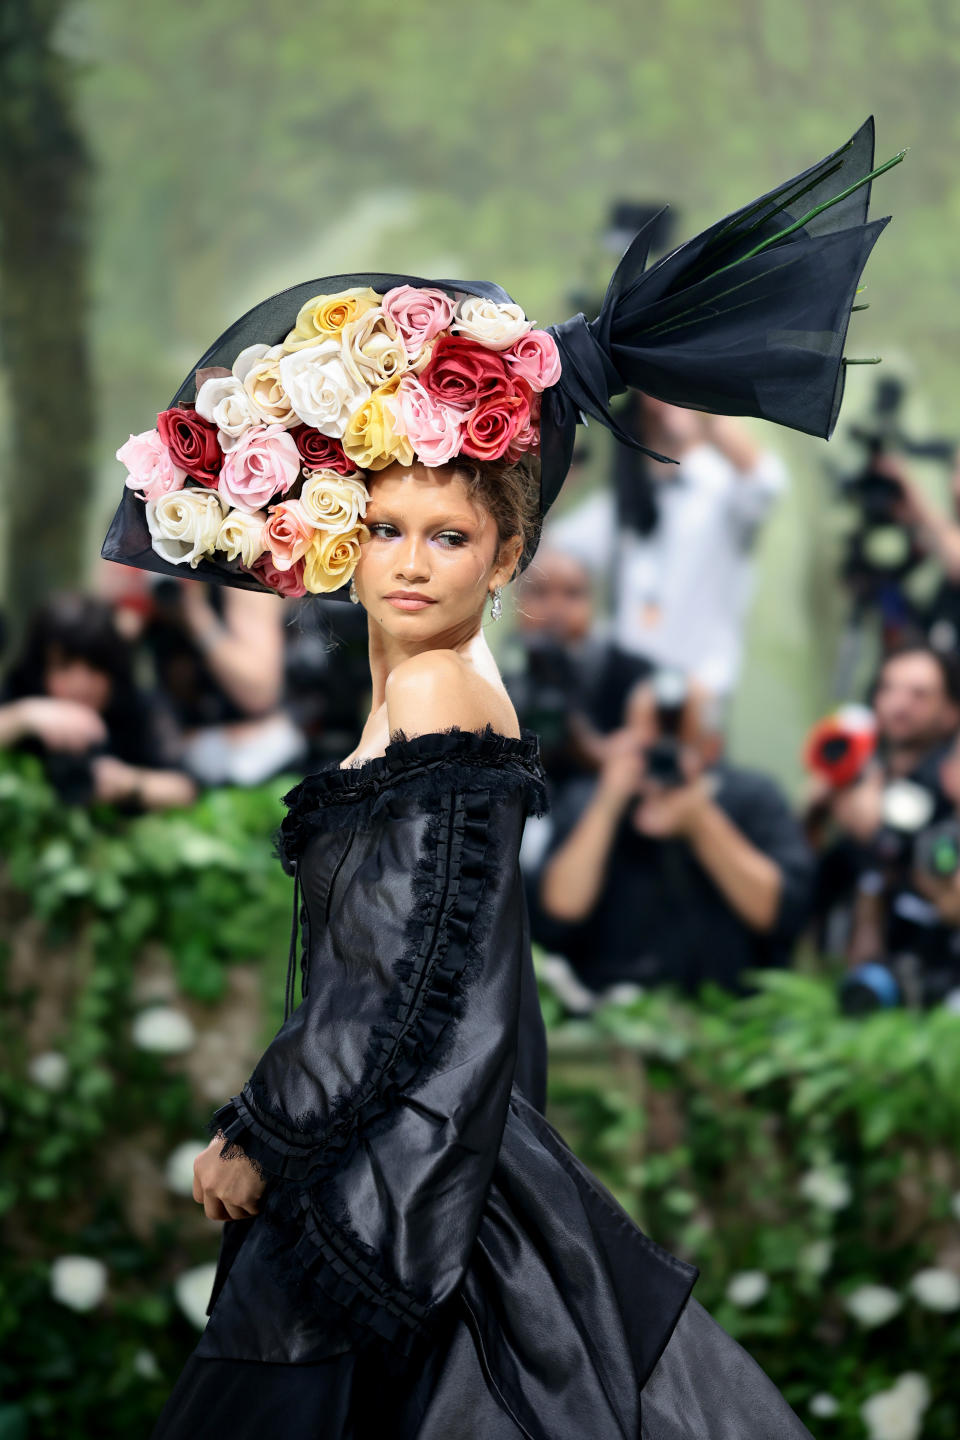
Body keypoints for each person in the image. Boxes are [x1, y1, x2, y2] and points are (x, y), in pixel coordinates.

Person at [97, 118, 899, 1437]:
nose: (412, 563)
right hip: (419, 1156)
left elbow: (401, 983)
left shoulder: (437, 690)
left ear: (509, 556)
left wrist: (262, 1131)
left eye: (452, 536)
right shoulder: (415, 686)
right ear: (347, 537)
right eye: (390, 529)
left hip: (406, 1184)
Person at [530, 675, 813, 997]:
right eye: (648, 741)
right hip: (606, 1011)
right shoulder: (590, 798)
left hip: (729, 1015)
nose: (662, 754)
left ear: (712, 746)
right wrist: (608, 805)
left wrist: (701, 820)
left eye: (679, 741)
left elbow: (779, 912)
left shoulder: (754, 796)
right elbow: (558, 911)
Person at [547, 396, 788, 708]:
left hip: (698, 694)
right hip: (626, 691)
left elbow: (767, 482)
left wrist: (700, 401)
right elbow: (550, 545)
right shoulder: (624, 498)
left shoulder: (723, 489)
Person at [0, 592, 196, 811]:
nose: (80, 683)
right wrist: (25, 717)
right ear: (40, 670)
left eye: (95, 667)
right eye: (64, 666)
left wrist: (128, 783)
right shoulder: (21, 696)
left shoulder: (140, 708)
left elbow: (186, 789)